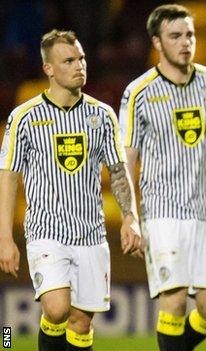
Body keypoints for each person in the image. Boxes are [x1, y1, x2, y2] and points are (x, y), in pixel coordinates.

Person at [0, 29, 142, 351]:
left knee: (81, 321)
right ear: (49, 68)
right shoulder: (24, 118)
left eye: (81, 58)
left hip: (91, 234)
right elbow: (7, 176)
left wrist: (130, 217)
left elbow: (118, 171)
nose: (79, 65)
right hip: (46, 232)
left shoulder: (102, 114)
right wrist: (4, 237)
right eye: (69, 60)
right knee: (57, 308)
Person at [119, 4, 206, 351]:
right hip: (163, 212)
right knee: (174, 302)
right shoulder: (139, 93)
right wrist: (130, 215)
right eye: (175, 36)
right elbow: (125, 161)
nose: (185, 42)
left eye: (189, 34)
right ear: (157, 43)